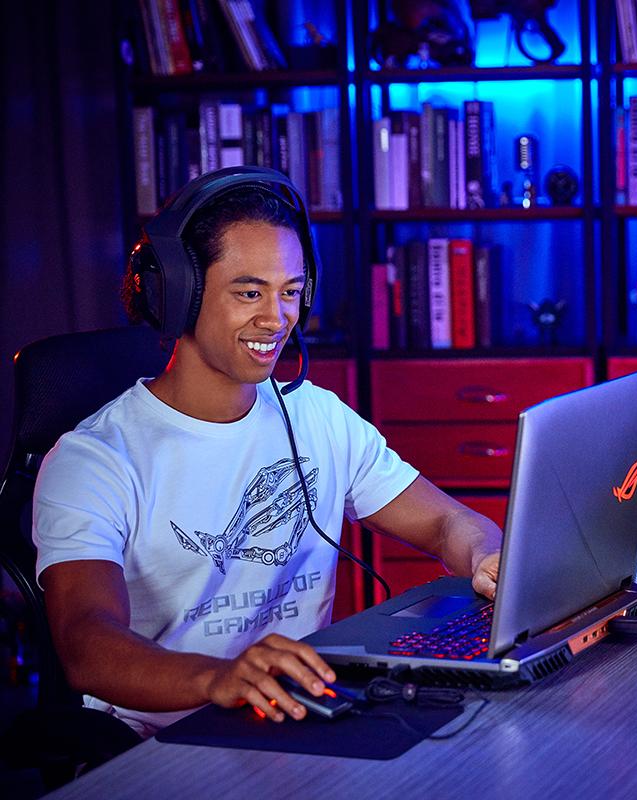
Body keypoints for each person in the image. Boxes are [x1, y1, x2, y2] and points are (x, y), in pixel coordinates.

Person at [31, 168, 502, 737]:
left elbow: (448, 523)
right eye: (250, 292)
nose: (277, 318)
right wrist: (219, 678)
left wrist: (485, 556)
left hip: (302, 720)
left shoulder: (318, 416)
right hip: (161, 745)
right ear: (178, 293)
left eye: (291, 292)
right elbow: (86, 642)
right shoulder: (95, 460)